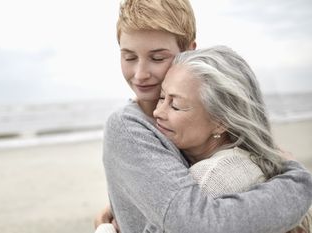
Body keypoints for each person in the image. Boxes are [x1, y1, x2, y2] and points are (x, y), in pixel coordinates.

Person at [94, 0, 312, 232]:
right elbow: (196, 221)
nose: (140, 75)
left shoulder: (212, 117)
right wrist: (298, 181)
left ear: (188, 51)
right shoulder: (128, 127)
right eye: (129, 58)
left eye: (157, 58)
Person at [152, 45, 311, 233]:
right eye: (162, 97)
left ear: (220, 121)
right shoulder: (247, 160)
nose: (157, 112)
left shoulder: (209, 179)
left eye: (176, 105)